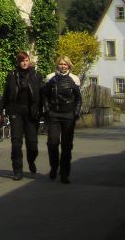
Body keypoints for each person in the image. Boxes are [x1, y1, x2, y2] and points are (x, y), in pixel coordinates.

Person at [2, 50, 43, 180]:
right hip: (16, 111)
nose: (24, 63)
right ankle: (17, 170)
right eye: (21, 61)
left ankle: (31, 160)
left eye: (26, 60)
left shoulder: (36, 75)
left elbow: (41, 95)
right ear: (18, 62)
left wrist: (43, 110)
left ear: (29, 61)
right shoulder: (12, 75)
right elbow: (6, 94)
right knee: (16, 142)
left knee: (32, 143)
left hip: (31, 112)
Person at [43, 56, 82, 184]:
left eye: (65, 64)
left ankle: (65, 173)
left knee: (67, 146)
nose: (63, 66)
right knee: (52, 142)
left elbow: (78, 98)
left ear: (69, 66)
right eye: (61, 64)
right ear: (57, 65)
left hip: (68, 115)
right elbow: (45, 96)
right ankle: (54, 167)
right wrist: (47, 110)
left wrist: (76, 112)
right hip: (54, 115)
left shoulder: (74, 79)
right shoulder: (50, 78)